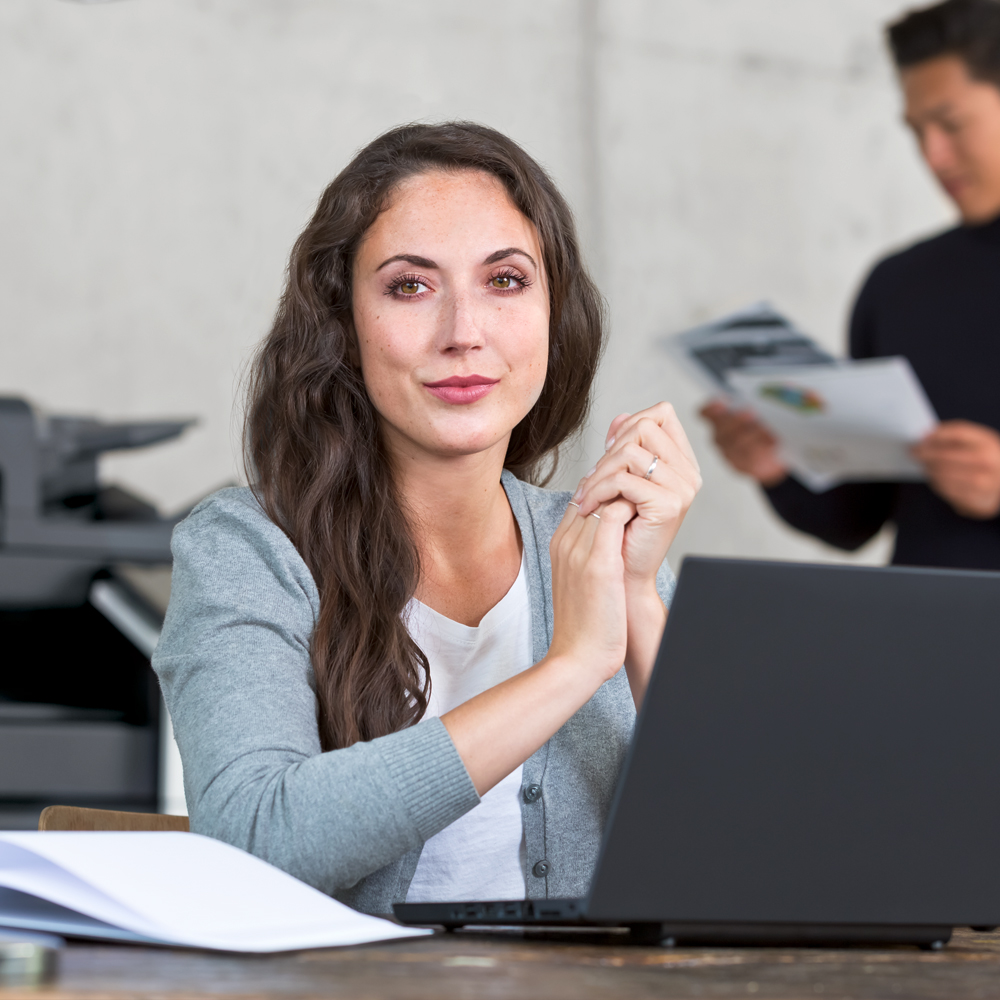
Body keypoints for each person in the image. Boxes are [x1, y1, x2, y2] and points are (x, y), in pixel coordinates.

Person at [152, 123, 701, 914]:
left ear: (555, 313)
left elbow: (764, 851)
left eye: (506, 281)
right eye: (411, 286)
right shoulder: (247, 549)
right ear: (342, 323)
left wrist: (640, 595)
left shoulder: (596, 542)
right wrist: (571, 667)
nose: (464, 334)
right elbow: (254, 835)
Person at [702, 0, 1000, 570]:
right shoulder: (900, 286)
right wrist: (780, 466)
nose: (933, 155)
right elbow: (855, 520)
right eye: (917, 131)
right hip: (927, 643)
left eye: (952, 123)